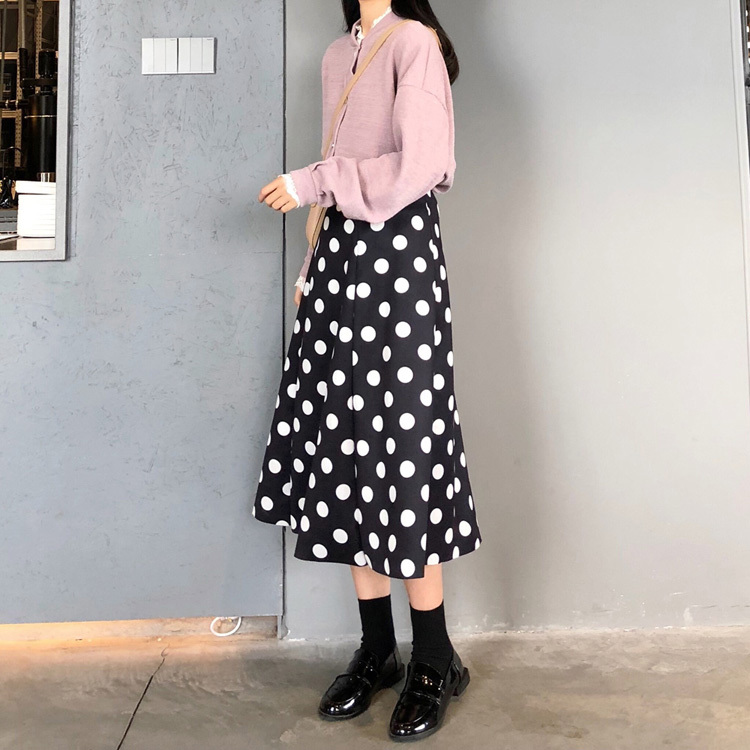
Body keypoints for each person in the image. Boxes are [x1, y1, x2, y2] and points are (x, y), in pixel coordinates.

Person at [253, 0, 482, 741]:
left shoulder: (415, 44)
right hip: (340, 258)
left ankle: (435, 657)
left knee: (403, 447)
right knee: (345, 446)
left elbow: (419, 165)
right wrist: (312, 263)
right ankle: (378, 647)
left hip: (399, 260)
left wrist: (312, 181)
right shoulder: (336, 54)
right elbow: (338, 175)